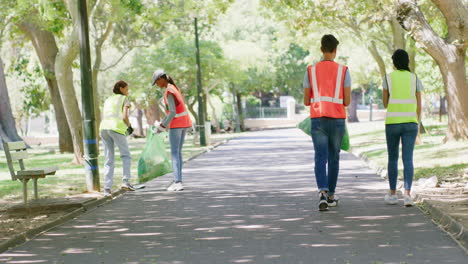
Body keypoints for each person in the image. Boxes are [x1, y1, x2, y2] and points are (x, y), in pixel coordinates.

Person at [303, 34, 351, 211]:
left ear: (321, 49)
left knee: (320, 157)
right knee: (334, 158)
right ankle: (331, 195)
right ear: (335, 50)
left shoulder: (311, 71)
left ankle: (322, 193)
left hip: (318, 119)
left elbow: (306, 101)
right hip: (337, 120)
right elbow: (347, 101)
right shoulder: (343, 71)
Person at [382, 49, 422, 207]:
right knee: (408, 158)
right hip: (410, 123)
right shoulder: (415, 78)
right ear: (407, 62)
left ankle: (392, 194)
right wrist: (416, 122)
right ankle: (407, 195)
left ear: (394, 63)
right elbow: (419, 104)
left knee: (392, 158)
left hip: (392, 123)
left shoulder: (388, 78)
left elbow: (385, 104)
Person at [151, 70, 192, 191]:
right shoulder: (174, 88)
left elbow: (172, 112)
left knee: (174, 153)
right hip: (184, 123)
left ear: (161, 79)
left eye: (156, 82)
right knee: (178, 153)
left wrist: (161, 126)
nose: (157, 85)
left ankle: (177, 182)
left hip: (177, 124)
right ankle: (178, 181)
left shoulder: (169, 91)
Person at [99, 80, 136, 196]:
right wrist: (129, 127)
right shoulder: (124, 99)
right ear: (120, 88)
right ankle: (126, 181)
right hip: (116, 128)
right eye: (126, 89)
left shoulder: (108, 99)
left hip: (104, 128)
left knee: (108, 158)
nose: (127, 92)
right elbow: (125, 116)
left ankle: (107, 188)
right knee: (126, 155)